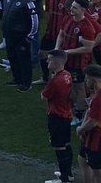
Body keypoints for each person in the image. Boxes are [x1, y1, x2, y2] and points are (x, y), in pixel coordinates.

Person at [1, 0, 39, 92]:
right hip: (9, 35)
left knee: (24, 60)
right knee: (12, 57)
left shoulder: (28, 1)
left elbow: (34, 20)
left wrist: (30, 36)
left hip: (21, 37)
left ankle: (26, 83)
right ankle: (17, 78)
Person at [44, 50, 74, 183]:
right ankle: (69, 173)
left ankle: (64, 178)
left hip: (56, 116)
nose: (47, 62)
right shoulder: (67, 75)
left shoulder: (55, 81)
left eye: (49, 59)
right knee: (66, 145)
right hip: (66, 114)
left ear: (56, 62)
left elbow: (43, 96)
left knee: (59, 147)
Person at [79, 64, 101, 183]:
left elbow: (93, 122)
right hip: (92, 137)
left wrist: (80, 129)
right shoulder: (95, 96)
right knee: (82, 160)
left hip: (96, 139)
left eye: (87, 79)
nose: (85, 81)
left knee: (97, 170)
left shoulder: (98, 98)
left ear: (94, 80)